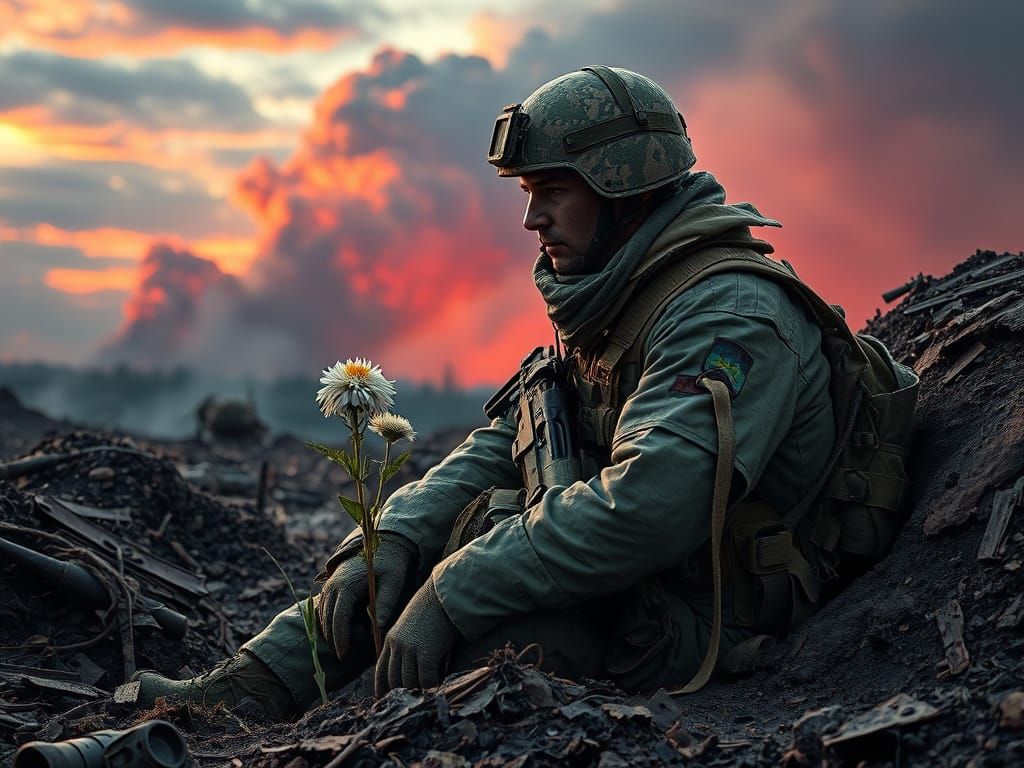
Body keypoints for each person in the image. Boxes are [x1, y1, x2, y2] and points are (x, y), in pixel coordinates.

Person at [133, 66, 842, 719]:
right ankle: (227, 700)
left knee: (491, 652)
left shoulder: (729, 314)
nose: (532, 219)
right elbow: (512, 440)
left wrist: (452, 590)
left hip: (711, 615)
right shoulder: (623, 292)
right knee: (416, 554)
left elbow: (653, 506)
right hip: (639, 586)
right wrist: (396, 536)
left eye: (553, 192)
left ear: (625, 189)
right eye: (529, 193)